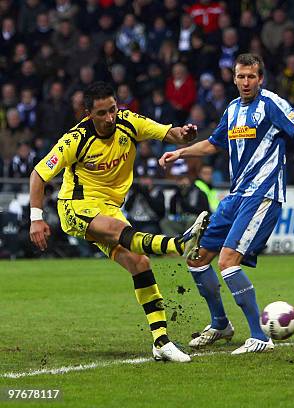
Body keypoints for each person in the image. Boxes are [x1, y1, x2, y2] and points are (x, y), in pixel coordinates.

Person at [29, 81, 207, 363]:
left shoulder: (128, 123)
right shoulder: (75, 140)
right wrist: (36, 219)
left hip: (110, 208)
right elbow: (39, 174)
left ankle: (161, 342)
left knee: (140, 263)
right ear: (88, 113)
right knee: (118, 230)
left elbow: (168, 133)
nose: (110, 118)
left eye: (113, 110)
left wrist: (184, 135)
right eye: (102, 113)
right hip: (76, 207)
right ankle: (177, 245)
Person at [159, 53, 294, 355]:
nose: (246, 82)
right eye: (240, 76)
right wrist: (180, 153)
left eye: (251, 77)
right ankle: (220, 324)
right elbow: (213, 144)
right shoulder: (233, 109)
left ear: (260, 79)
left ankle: (260, 336)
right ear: (233, 78)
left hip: (262, 194)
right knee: (197, 260)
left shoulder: (271, 104)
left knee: (227, 262)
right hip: (235, 195)